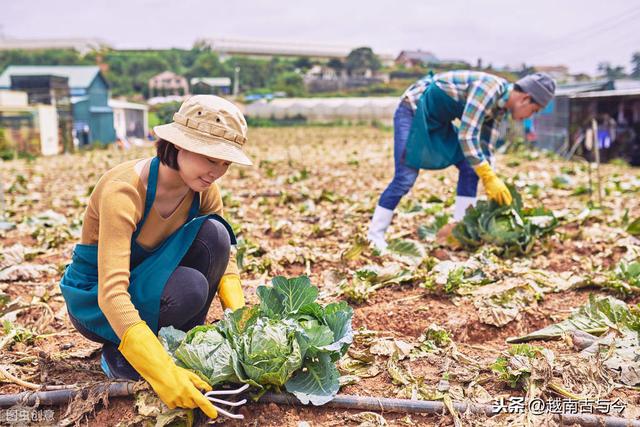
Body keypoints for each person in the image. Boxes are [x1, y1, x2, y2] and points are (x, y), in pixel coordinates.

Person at [60, 95, 252, 419]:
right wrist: (161, 372)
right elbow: (111, 293)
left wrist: (243, 321)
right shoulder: (124, 191)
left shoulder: (204, 189)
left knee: (217, 234)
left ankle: (177, 345)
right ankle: (126, 356)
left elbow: (225, 259)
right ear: (179, 145)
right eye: (211, 158)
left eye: (225, 163)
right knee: (190, 288)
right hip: (96, 302)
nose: (216, 172)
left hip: (150, 278)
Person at [368, 71, 556, 249]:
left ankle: (460, 229)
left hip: (439, 121)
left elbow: (485, 148)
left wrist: (493, 179)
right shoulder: (489, 89)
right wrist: (487, 176)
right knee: (405, 177)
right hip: (413, 110)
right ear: (525, 99)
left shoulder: (499, 110)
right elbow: (467, 135)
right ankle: (374, 236)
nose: (530, 116)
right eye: (534, 110)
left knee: (470, 166)